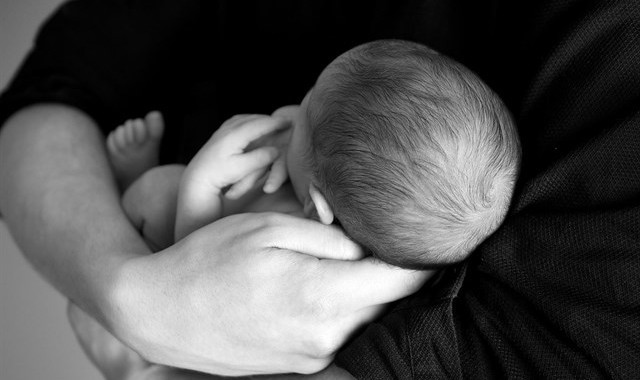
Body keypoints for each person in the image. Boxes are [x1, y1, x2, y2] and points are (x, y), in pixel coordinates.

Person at [1, 1, 639, 378]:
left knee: (159, 193)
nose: (286, 109)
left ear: (318, 208)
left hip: (208, 348)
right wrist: (135, 296)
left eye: (300, 112)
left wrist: (200, 184)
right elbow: (53, 85)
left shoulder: (289, 237)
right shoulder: (406, 236)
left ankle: (129, 201)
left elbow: (197, 272)